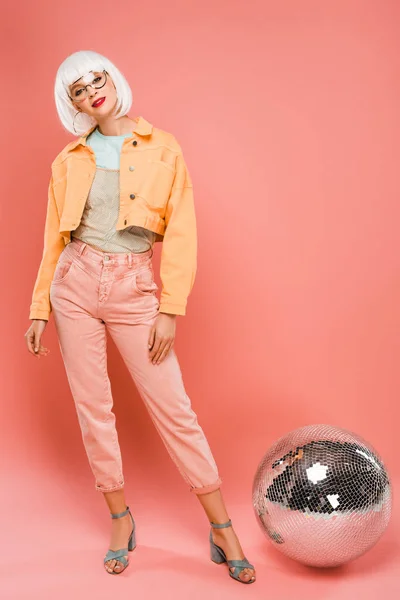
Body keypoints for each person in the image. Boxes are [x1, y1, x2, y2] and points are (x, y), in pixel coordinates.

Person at [24, 49, 256, 583]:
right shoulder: (68, 160)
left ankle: (221, 527)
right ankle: (119, 518)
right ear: (73, 105)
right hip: (74, 285)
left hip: (134, 288)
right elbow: (51, 241)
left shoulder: (163, 148)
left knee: (174, 409)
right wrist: (40, 307)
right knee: (93, 409)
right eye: (77, 91)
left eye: (95, 80)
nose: (91, 93)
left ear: (113, 79)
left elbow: (181, 233)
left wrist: (170, 308)